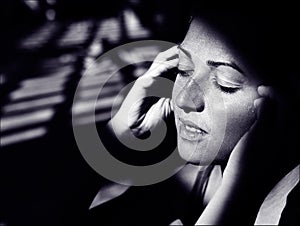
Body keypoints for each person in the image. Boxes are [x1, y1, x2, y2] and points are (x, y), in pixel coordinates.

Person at [87, 3, 299, 225]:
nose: (182, 99)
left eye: (225, 83)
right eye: (184, 69)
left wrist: (239, 193)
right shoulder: (195, 182)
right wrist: (113, 139)